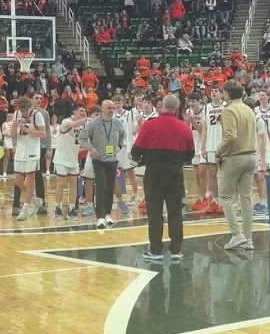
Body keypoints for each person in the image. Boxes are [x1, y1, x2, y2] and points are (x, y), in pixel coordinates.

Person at [130, 94, 194, 262]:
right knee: (175, 213)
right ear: (177, 108)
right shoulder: (184, 128)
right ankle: (176, 251)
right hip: (175, 175)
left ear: (161, 106)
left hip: (154, 175)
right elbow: (190, 154)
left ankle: (156, 250)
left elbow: (136, 151)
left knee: (154, 213)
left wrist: (142, 159)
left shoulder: (149, 125)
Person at [217, 80, 257, 251]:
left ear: (227, 94)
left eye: (223, 92)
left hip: (234, 157)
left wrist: (218, 152)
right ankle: (248, 239)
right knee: (246, 197)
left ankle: (236, 234)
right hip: (251, 156)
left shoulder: (229, 111)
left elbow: (230, 136)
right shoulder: (249, 110)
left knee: (225, 196)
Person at [79, 99, 125, 230]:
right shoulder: (94, 124)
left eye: (113, 108)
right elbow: (81, 137)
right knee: (101, 187)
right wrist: (91, 149)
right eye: (109, 108)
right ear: (103, 110)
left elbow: (123, 135)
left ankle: (108, 214)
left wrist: (119, 146)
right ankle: (99, 216)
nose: (112, 110)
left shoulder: (117, 123)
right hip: (99, 161)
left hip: (112, 161)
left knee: (110, 188)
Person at [10, 96, 47, 222]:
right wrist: (14, 127)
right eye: (22, 110)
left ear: (30, 107)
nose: (25, 112)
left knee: (30, 178)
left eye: (26, 110)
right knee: (18, 180)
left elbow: (43, 134)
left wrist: (28, 130)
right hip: (20, 151)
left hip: (33, 151)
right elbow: (12, 135)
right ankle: (35, 200)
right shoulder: (16, 114)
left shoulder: (37, 115)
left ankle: (25, 209)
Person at [53, 106, 86, 219]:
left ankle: (71, 209)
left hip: (73, 158)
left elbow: (80, 140)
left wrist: (82, 147)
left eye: (84, 111)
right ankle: (58, 208)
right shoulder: (66, 121)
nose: (84, 112)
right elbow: (72, 125)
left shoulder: (83, 125)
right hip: (61, 158)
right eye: (81, 111)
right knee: (61, 183)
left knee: (73, 183)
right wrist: (86, 119)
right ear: (74, 112)